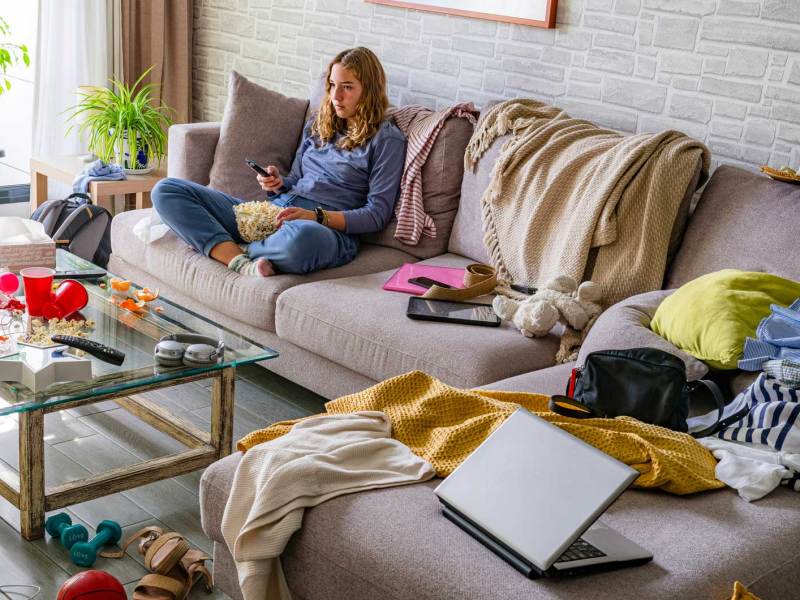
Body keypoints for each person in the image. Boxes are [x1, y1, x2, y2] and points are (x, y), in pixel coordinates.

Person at [151, 47, 406, 277]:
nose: (336, 96)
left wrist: (315, 217)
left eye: (347, 87)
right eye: (332, 85)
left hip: (325, 230)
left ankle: (229, 248)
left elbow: (376, 215)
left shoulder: (386, 139)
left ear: (370, 89)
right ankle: (241, 258)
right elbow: (295, 181)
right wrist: (277, 183)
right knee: (166, 190)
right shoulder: (319, 124)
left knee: (302, 241)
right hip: (276, 213)